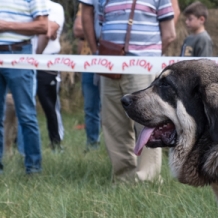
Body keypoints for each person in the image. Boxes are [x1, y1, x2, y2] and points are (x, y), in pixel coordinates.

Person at [80, 0, 176, 183]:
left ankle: (148, 180)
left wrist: (148, 59)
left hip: (142, 67)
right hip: (110, 67)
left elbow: (169, 34)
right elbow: (101, 25)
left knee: (148, 122)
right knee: (113, 124)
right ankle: (124, 180)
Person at [0, 0, 48, 175]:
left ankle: (33, 169)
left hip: (18, 54)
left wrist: (6, 25)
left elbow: (43, 26)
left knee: (26, 115)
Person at [32, 0, 65, 153]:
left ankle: (56, 143)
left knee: (50, 106)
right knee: (24, 106)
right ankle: (18, 144)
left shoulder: (55, 8)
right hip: (21, 60)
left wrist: (37, 56)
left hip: (47, 62)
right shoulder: (25, 5)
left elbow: (49, 31)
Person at [73, 4, 101, 151]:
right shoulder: (85, 4)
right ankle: (92, 144)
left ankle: (114, 146)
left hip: (113, 60)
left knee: (115, 106)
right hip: (88, 61)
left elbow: (81, 28)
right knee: (90, 107)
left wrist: (90, 26)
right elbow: (77, 29)